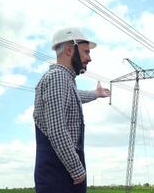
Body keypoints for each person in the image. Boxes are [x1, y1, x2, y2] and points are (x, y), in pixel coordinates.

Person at [33, 27, 110, 193]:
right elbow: (56, 129)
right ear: (69, 50)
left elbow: (73, 97)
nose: (89, 58)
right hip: (59, 176)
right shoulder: (58, 78)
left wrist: (96, 94)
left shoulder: (65, 80)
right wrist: (76, 169)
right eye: (86, 52)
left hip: (60, 173)